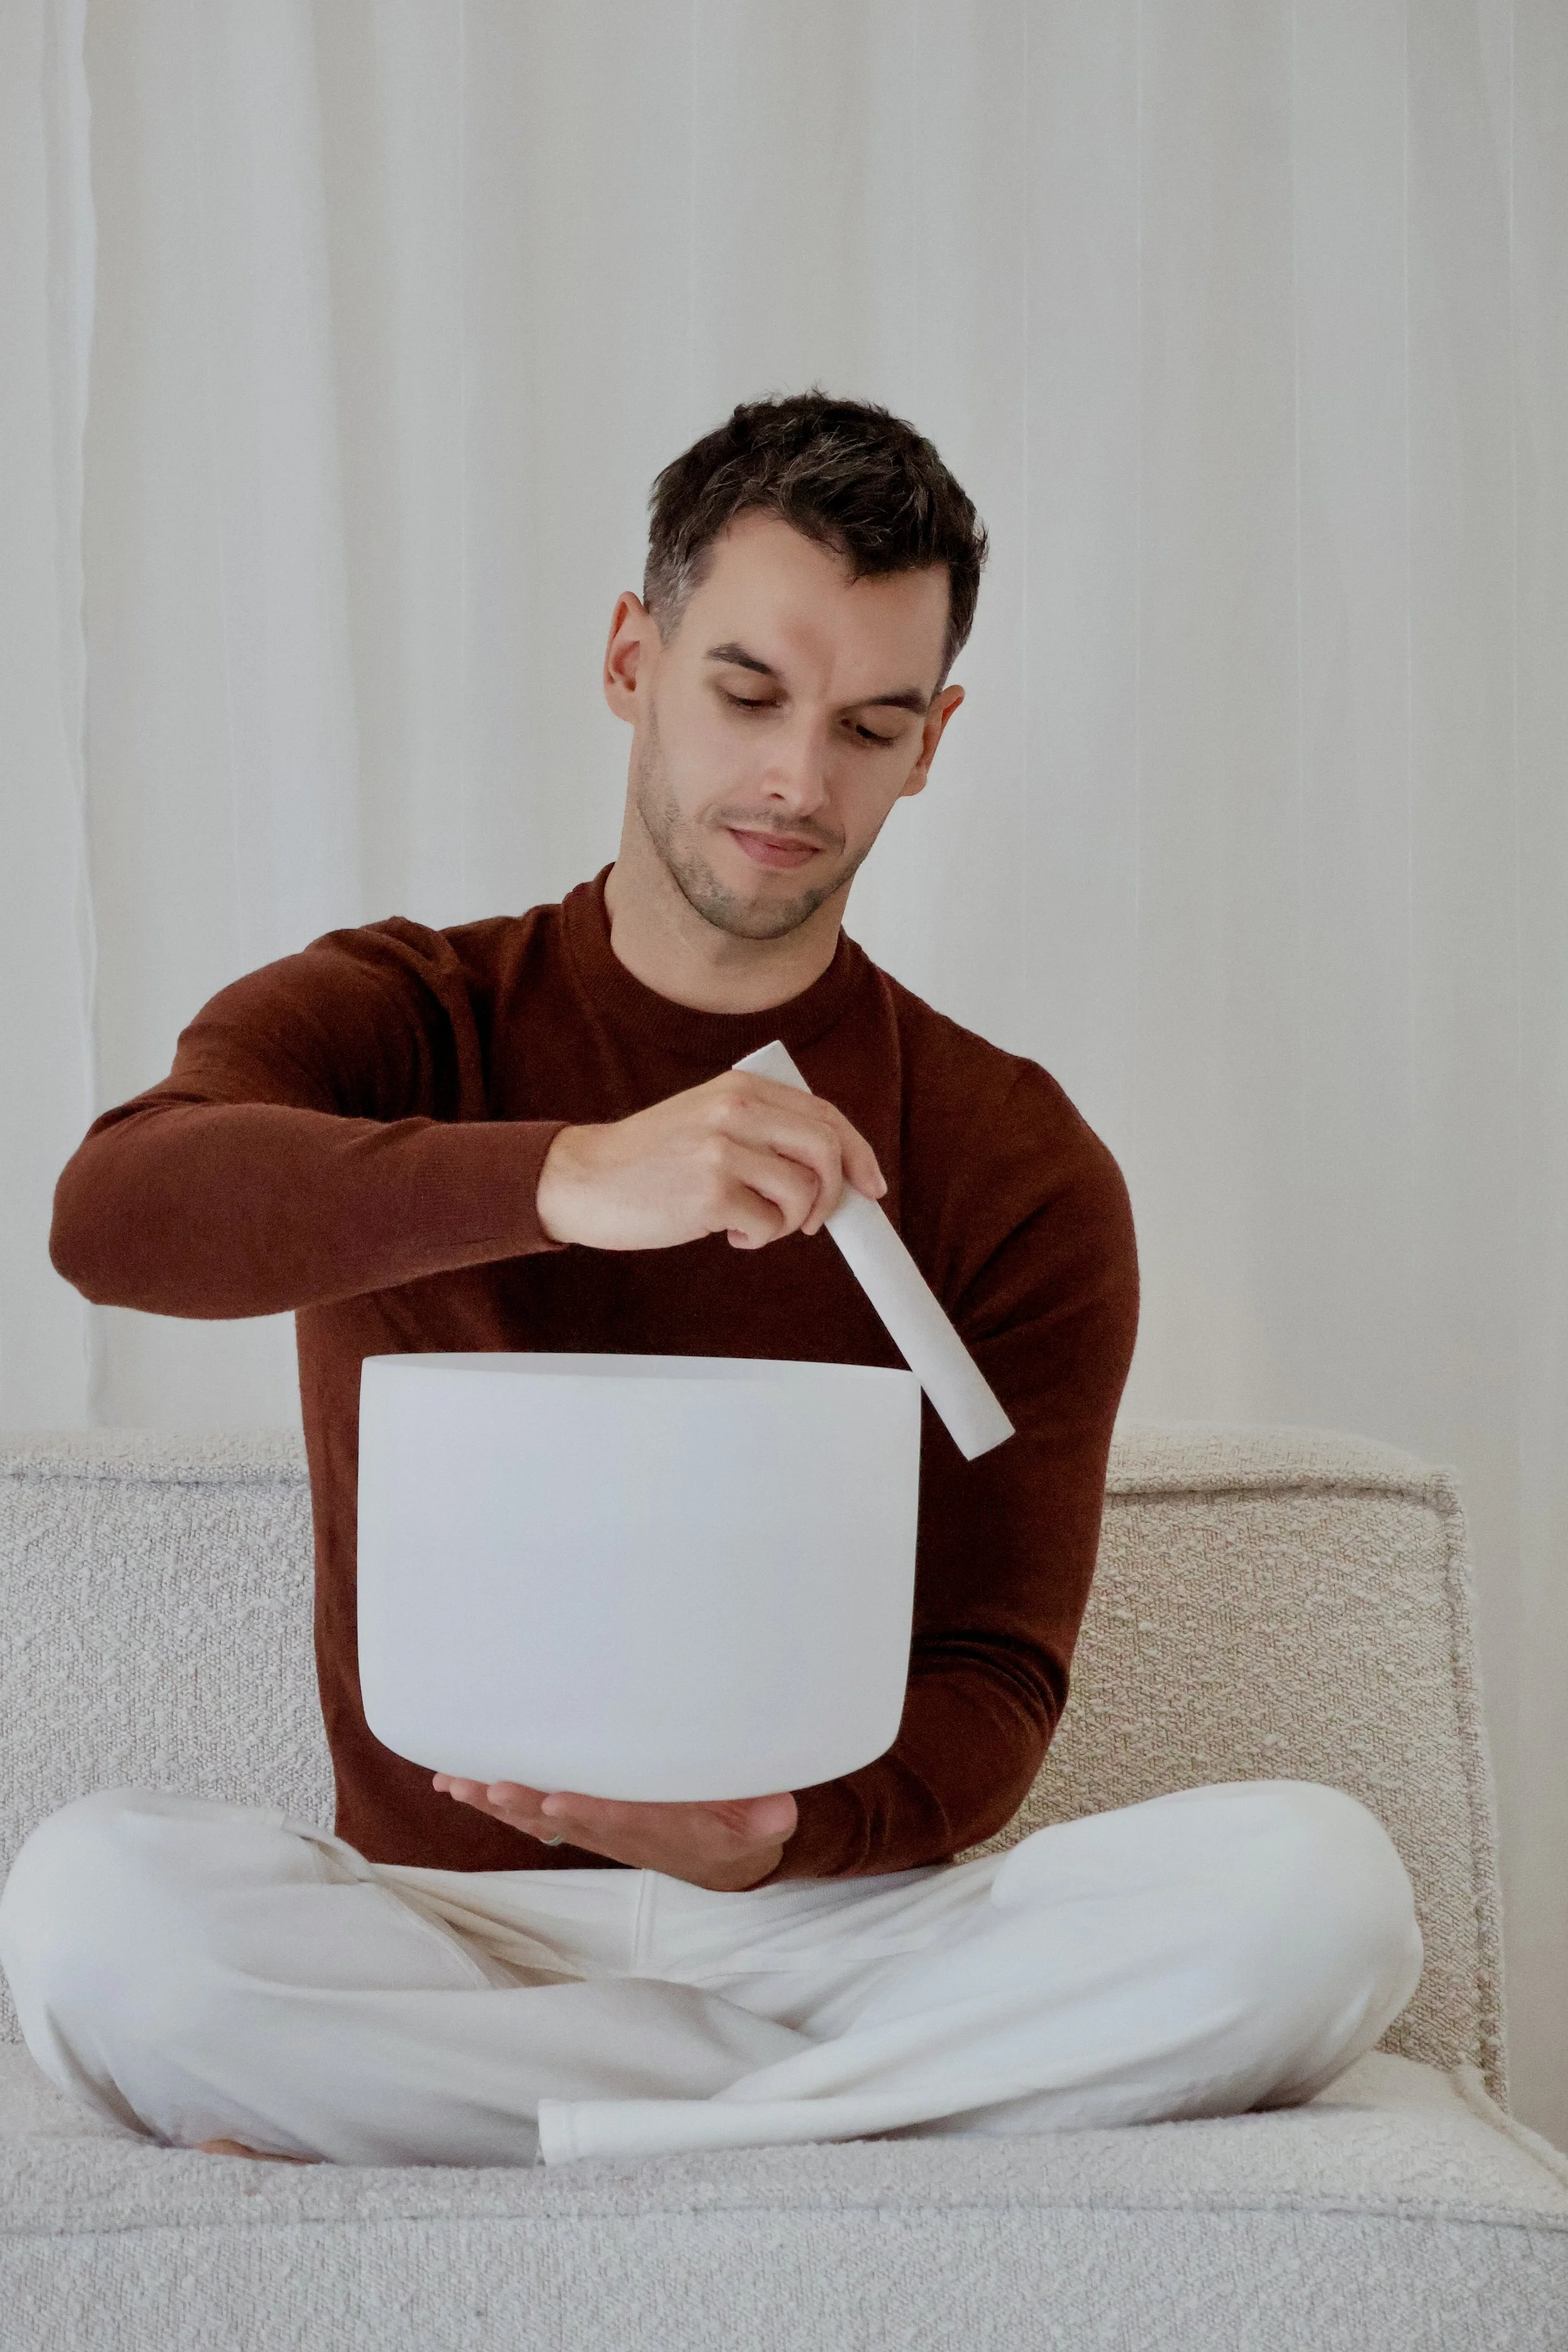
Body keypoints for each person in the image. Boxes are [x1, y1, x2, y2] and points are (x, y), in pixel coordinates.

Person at [0, 394, 1421, 2169]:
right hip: (447, 1932)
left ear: (932, 743)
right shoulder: (401, 1013)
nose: (795, 784)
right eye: (746, 694)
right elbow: (115, 1213)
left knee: (1322, 1895)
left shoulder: (1016, 1155)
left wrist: (774, 1834)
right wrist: (568, 1173)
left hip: (830, 1929)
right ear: (631, 655)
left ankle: (496, 2135)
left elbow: (994, 1674)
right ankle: (782, 2137)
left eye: (869, 726)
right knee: (91, 1908)